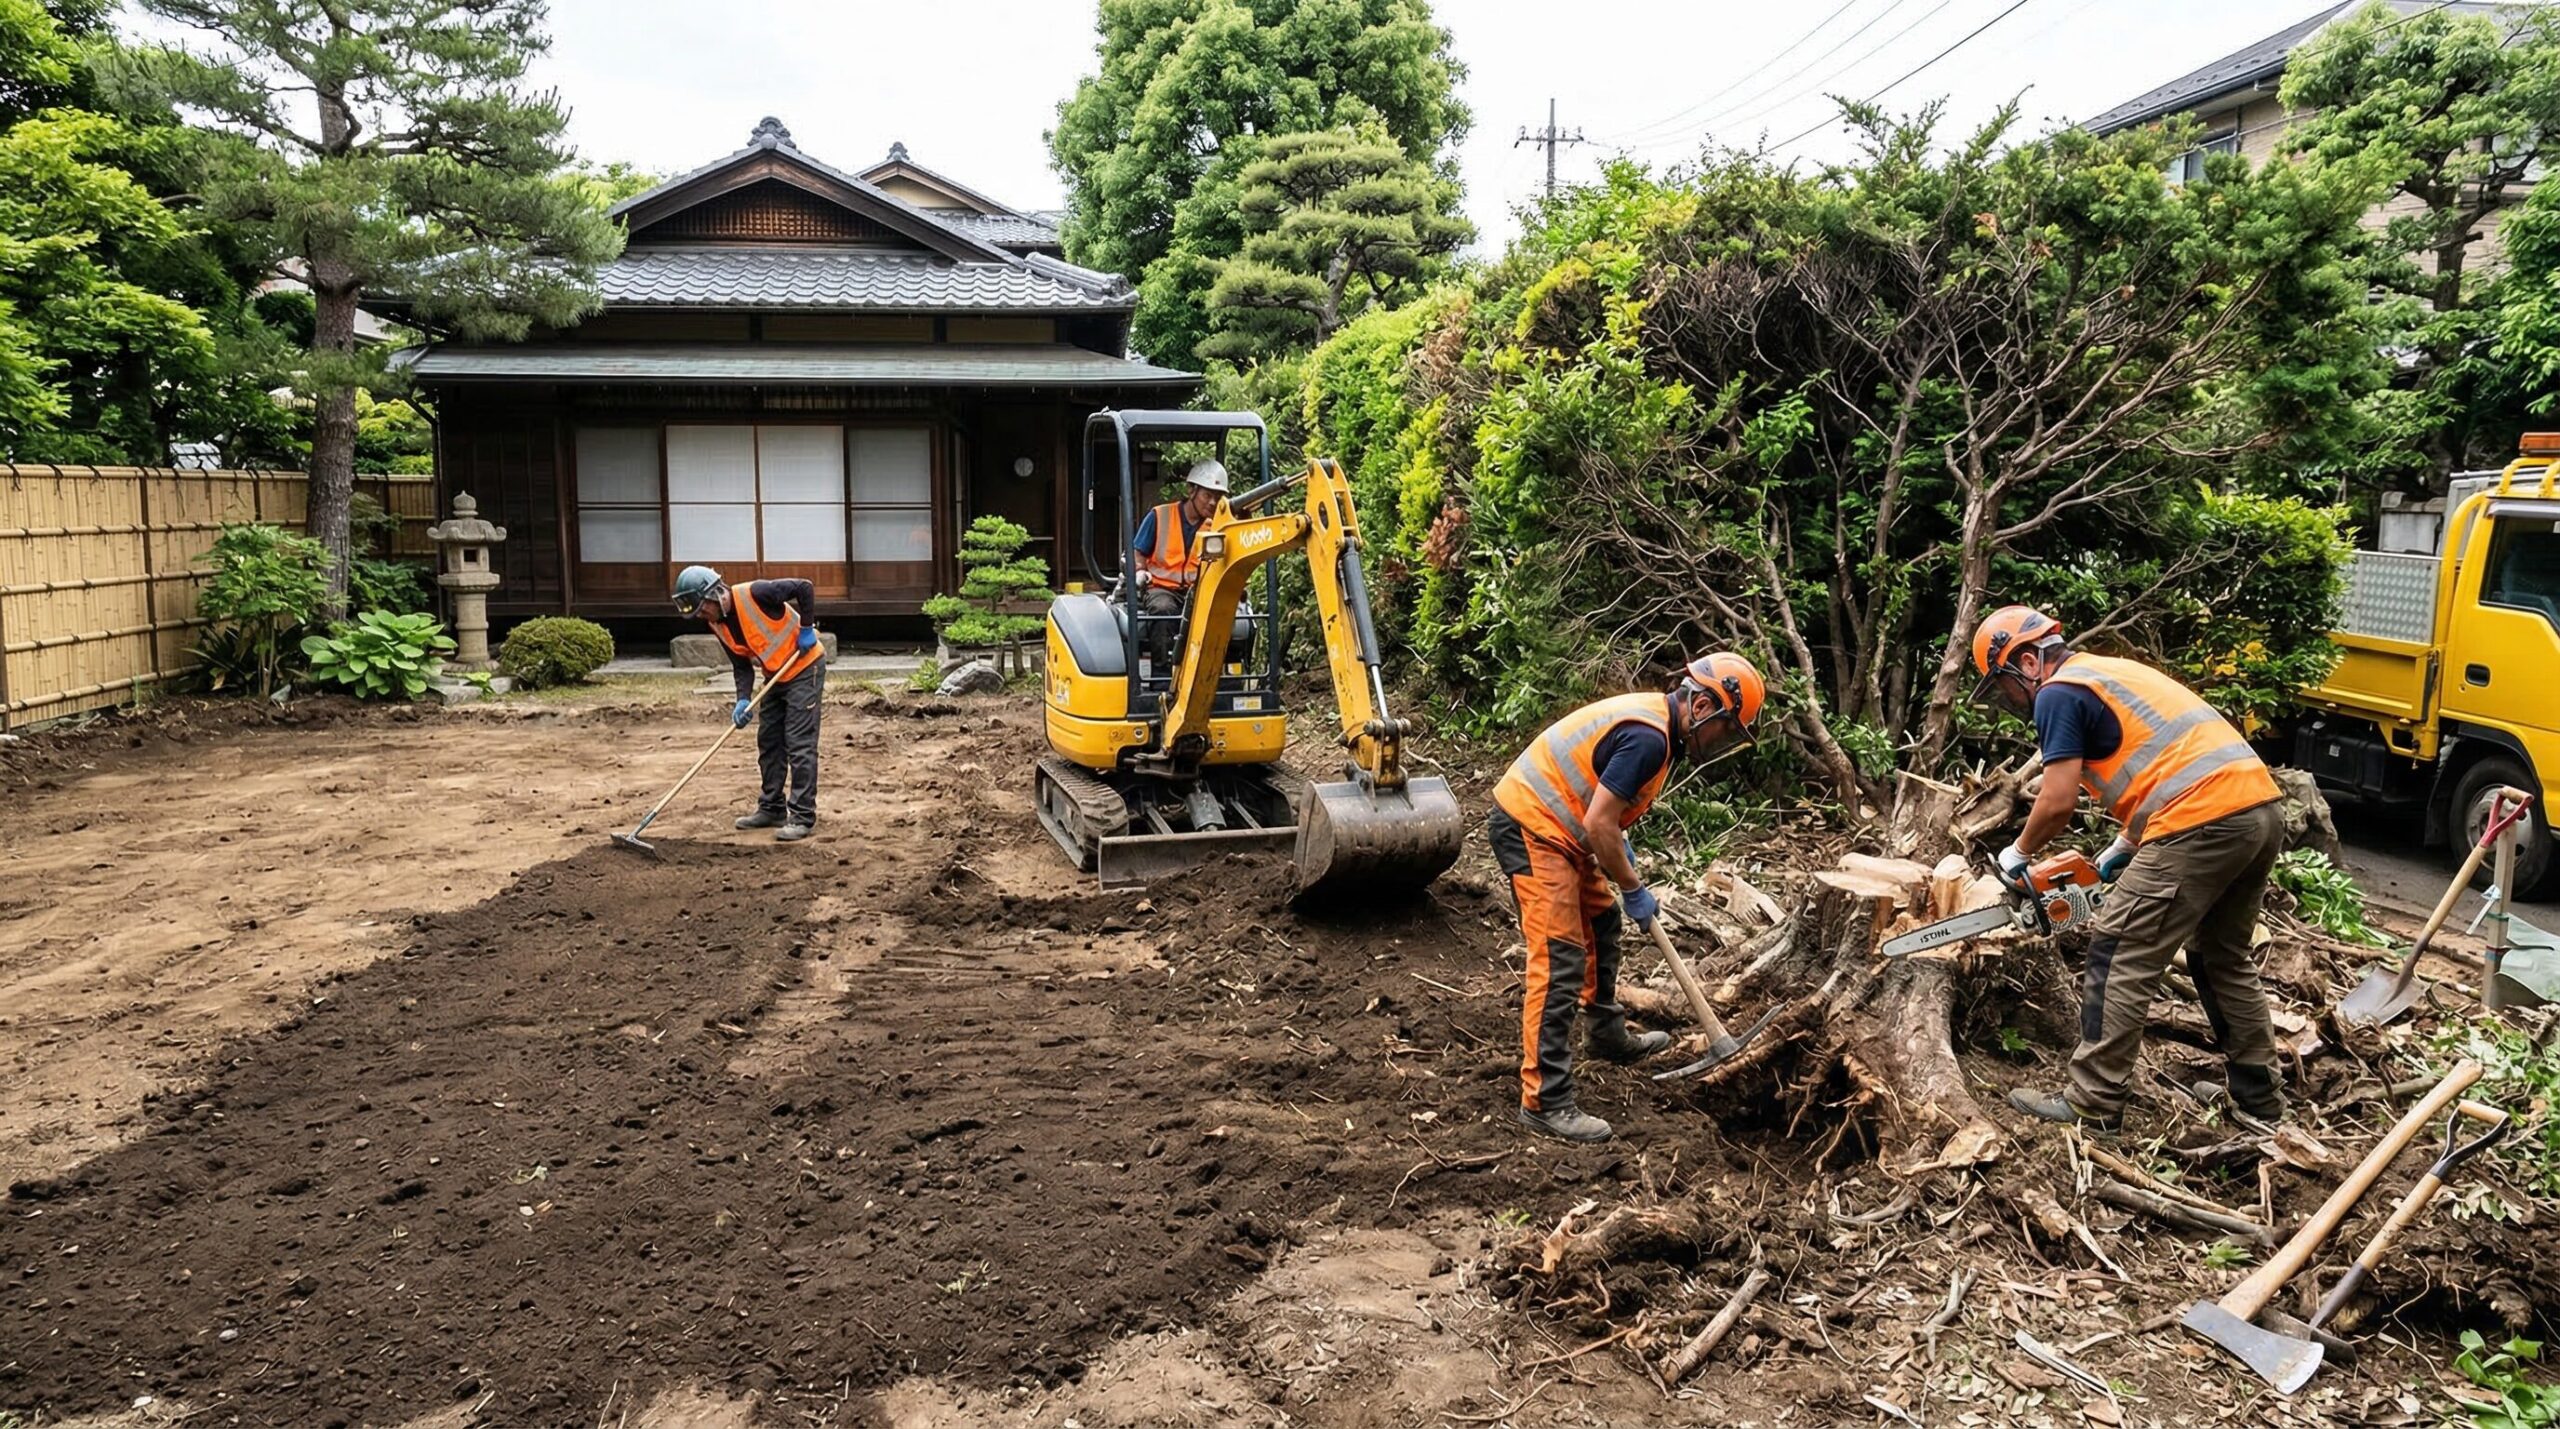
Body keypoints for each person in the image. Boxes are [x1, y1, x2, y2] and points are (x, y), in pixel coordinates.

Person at [1971, 604, 2289, 1136]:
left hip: (2201, 820)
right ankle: (2258, 1098)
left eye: (2005, 687)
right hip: (2258, 810)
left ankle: (2094, 1101)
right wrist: (2123, 845)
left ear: (2027, 662)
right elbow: (2170, 759)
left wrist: (2017, 854)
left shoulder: (2058, 692)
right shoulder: (2106, 671)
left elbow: (2056, 802)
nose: (2011, 702)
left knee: (2119, 947)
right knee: (2221, 955)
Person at [1489, 653, 1767, 1143]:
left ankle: (1604, 1032)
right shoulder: (1649, 737)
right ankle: (1544, 1101)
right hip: (1534, 828)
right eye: (1725, 731)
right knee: (1559, 960)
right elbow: (1598, 822)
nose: (1722, 744)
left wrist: (1617, 841)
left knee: (1602, 924)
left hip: (1564, 830)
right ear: (1702, 705)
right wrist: (1634, 887)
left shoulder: (1660, 728)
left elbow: (1603, 808)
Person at [673, 565, 826, 842]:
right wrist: (742, 698)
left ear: (715, 594)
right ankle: (771, 808)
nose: (702, 616)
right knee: (769, 741)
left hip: (805, 666)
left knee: (799, 742)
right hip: (775, 675)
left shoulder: (756, 593)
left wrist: (806, 628)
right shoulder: (717, 624)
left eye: (702, 609)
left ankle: (802, 816)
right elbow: (741, 665)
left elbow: (804, 586)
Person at [1129, 459, 1228, 667]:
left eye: (1218, 497)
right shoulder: (1160, 515)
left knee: (1222, 614)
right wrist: (1140, 571)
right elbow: (1138, 551)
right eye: (1207, 495)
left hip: (1200, 590)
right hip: (1162, 588)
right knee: (1163, 609)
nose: (1212, 502)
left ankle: (1212, 676)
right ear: (1191, 491)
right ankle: (1163, 679)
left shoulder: (1219, 526)